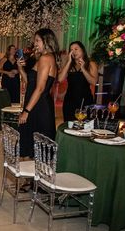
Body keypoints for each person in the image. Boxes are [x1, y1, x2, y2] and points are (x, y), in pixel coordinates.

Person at [17, 28, 59, 158]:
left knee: (38, 147)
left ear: (46, 41)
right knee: (34, 148)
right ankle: (34, 177)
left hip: (39, 107)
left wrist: (26, 111)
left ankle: (37, 177)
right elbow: (30, 83)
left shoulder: (46, 58)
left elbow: (40, 88)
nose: (34, 43)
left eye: (37, 40)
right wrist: (20, 67)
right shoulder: (44, 58)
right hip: (36, 104)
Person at [58, 41, 97, 122]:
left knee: (85, 128)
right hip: (70, 101)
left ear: (82, 50)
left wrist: (83, 69)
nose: (73, 52)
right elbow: (60, 79)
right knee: (69, 126)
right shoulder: (69, 65)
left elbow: (93, 82)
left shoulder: (90, 64)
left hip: (85, 101)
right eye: (71, 50)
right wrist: (68, 62)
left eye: (76, 49)